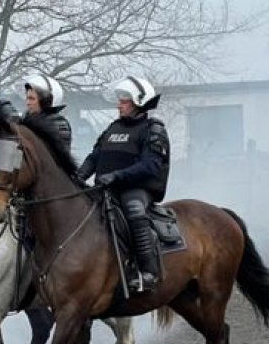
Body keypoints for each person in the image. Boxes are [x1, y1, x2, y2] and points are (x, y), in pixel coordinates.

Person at [75, 76, 170, 292]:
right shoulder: (113, 127)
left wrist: (117, 176)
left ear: (139, 101)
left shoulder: (153, 129)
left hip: (136, 189)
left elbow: (151, 165)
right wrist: (79, 177)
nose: (119, 105)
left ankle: (149, 272)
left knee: (134, 210)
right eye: (119, 100)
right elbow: (94, 157)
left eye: (124, 101)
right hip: (105, 187)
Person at [22, 74, 72, 151]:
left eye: (31, 99)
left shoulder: (58, 124)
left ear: (45, 101)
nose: (27, 103)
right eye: (27, 98)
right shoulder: (29, 121)